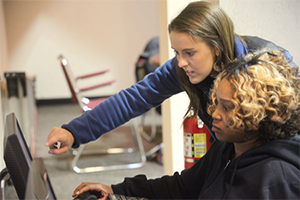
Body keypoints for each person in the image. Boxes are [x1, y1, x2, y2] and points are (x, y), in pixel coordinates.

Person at [44, 1, 295, 157]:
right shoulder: (184, 68)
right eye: (177, 52)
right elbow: (134, 99)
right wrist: (73, 132)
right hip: (231, 157)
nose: (181, 62)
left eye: (189, 53)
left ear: (216, 47)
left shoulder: (270, 65)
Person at [71, 50, 300, 200]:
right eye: (215, 104)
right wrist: (115, 191)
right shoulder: (227, 148)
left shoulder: (277, 179)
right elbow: (182, 188)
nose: (214, 115)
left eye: (227, 107)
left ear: (258, 114)